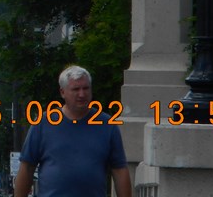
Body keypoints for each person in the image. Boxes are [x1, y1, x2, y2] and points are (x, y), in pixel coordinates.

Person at [13, 65, 132, 197]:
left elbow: (119, 169)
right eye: (76, 89)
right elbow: (27, 167)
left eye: (86, 88)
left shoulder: (107, 125)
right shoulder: (43, 123)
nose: (82, 94)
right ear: (62, 92)